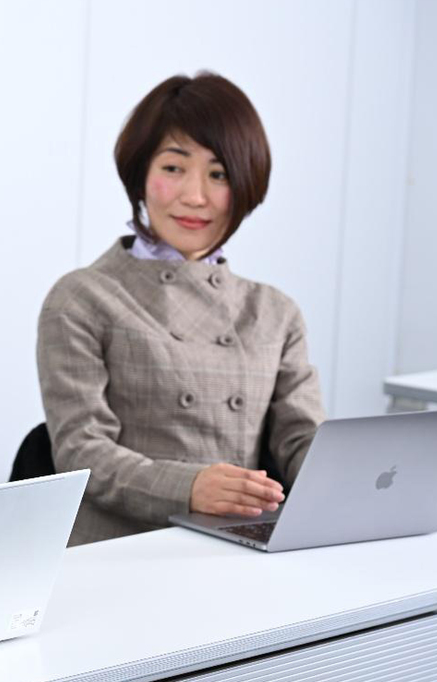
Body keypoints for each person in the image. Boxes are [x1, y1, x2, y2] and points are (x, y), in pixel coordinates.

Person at [37, 72, 325, 546]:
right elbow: (81, 453)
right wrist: (187, 487)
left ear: (246, 186)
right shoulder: (82, 297)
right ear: (140, 174)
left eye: (219, 174)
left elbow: (301, 439)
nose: (195, 196)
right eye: (174, 168)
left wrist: (361, 477)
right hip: (120, 549)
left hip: (241, 544)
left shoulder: (275, 312)